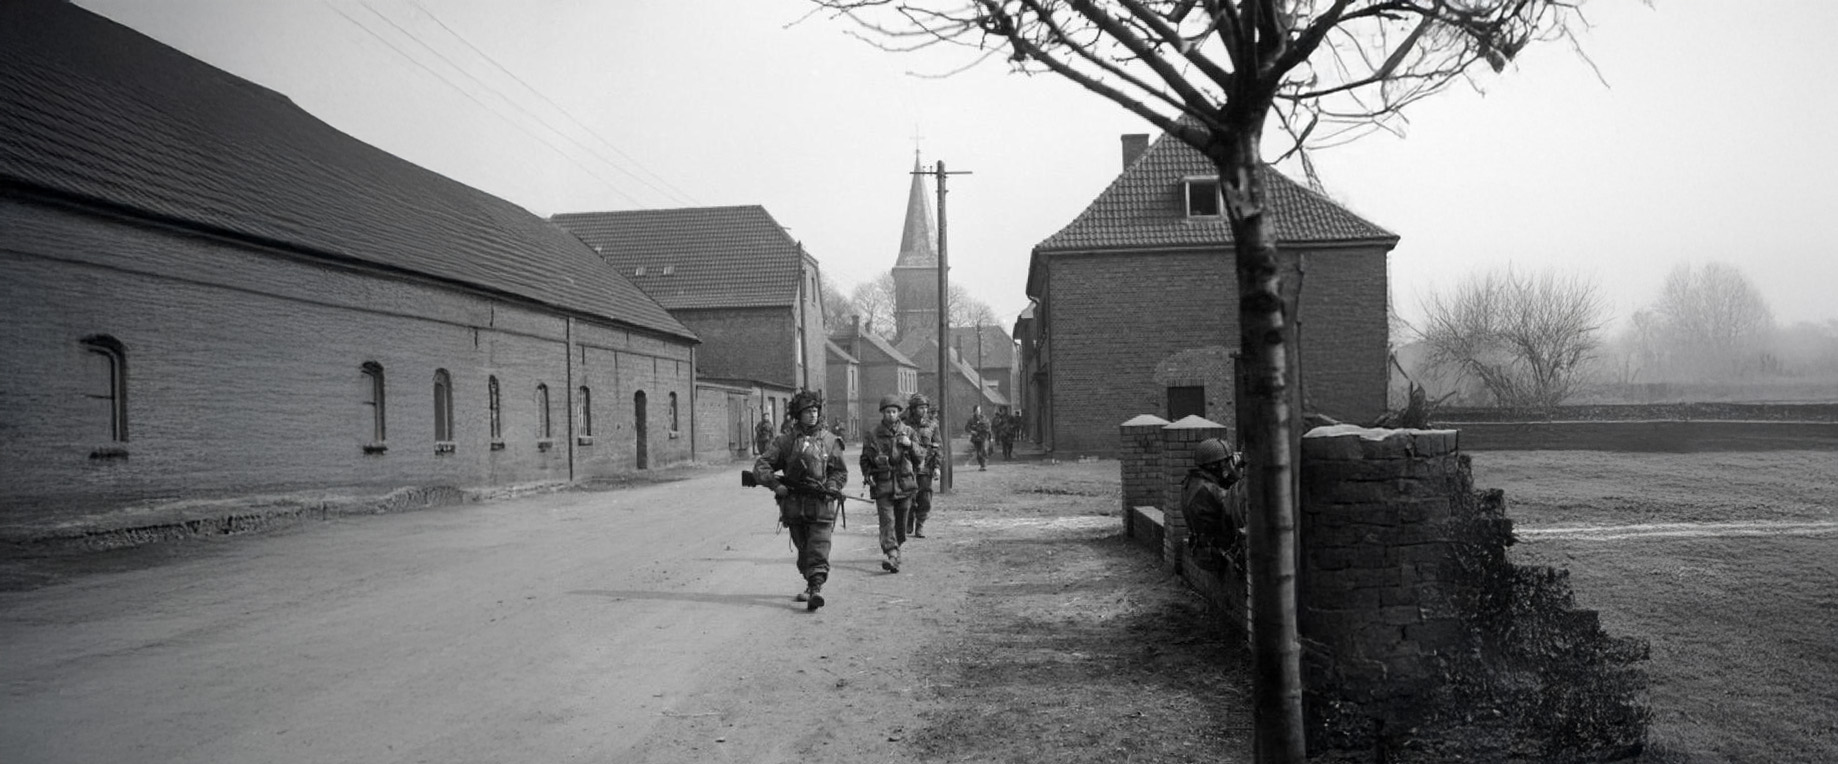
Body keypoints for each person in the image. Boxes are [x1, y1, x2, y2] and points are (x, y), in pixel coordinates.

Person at [753, 390, 848, 610]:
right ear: (798, 414)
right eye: (807, 411)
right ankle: (810, 583)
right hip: (794, 506)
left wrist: (832, 486)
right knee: (804, 550)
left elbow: (839, 472)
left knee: (819, 547)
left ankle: (816, 588)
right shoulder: (785, 441)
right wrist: (777, 485)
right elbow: (761, 466)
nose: (813, 415)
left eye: (815, 411)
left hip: (821, 504)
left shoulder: (830, 440)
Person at [861, 393, 923, 573]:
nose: (891, 415)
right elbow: (865, 459)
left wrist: (910, 444)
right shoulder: (873, 434)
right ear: (883, 413)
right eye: (887, 411)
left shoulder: (909, 432)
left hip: (905, 484)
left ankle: (897, 546)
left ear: (899, 413)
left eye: (894, 411)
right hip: (883, 484)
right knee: (887, 521)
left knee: (902, 522)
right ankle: (892, 553)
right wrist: (867, 474)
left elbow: (920, 457)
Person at [1179, 437, 1247, 573]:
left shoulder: (1192, 481)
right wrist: (1239, 478)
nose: (1230, 464)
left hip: (1201, 549)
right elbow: (1235, 508)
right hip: (1213, 555)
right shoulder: (1208, 490)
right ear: (1215, 466)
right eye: (1226, 461)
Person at [903, 392, 941, 538]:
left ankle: (920, 524)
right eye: (920, 408)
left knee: (925, 497)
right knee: (909, 496)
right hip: (907, 466)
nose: (924, 411)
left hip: (926, 466)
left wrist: (937, 467)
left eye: (925, 407)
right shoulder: (904, 424)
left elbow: (938, 447)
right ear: (913, 409)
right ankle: (909, 521)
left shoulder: (932, 425)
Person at [964, 405, 992, 471]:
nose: (978, 411)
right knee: (979, 453)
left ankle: (984, 465)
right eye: (977, 410)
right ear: (974, 411)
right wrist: (972, 431)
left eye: (979, 410)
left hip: (984, 437)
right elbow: (967, 428)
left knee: (984, 450)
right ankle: (981, 464)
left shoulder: (984, 418)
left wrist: (990, 437)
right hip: (976, 438)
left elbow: (988, 427)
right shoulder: (971, 420)